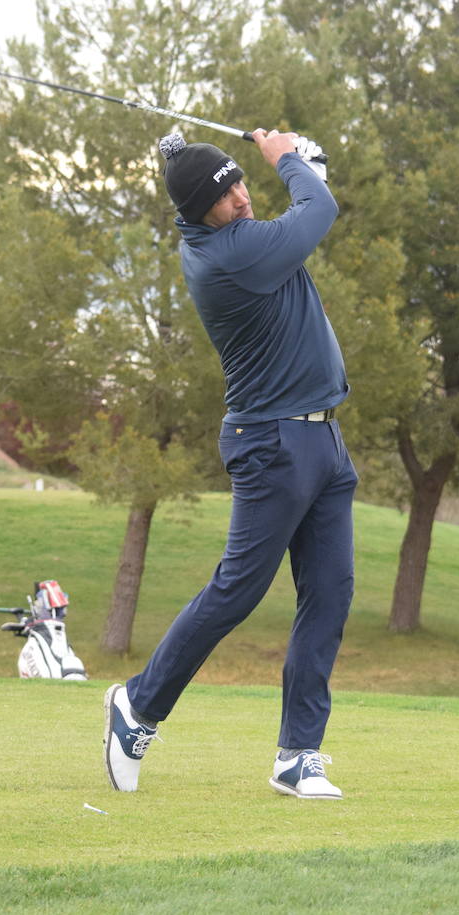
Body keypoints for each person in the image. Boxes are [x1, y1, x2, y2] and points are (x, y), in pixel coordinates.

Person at [103, 127, 357, 800]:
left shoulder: (240, 238)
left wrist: (308, 165)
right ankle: (137, 707)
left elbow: (309, 206)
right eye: (225, 194)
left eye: (244, 180)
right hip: (273, 444)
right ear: (196, 212)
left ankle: (298, 754)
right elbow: (320, 210)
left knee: (329, 593)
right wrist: (290, 159)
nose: (242, 198)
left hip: (323, 439)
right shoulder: (229, 256)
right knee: (237, 590)